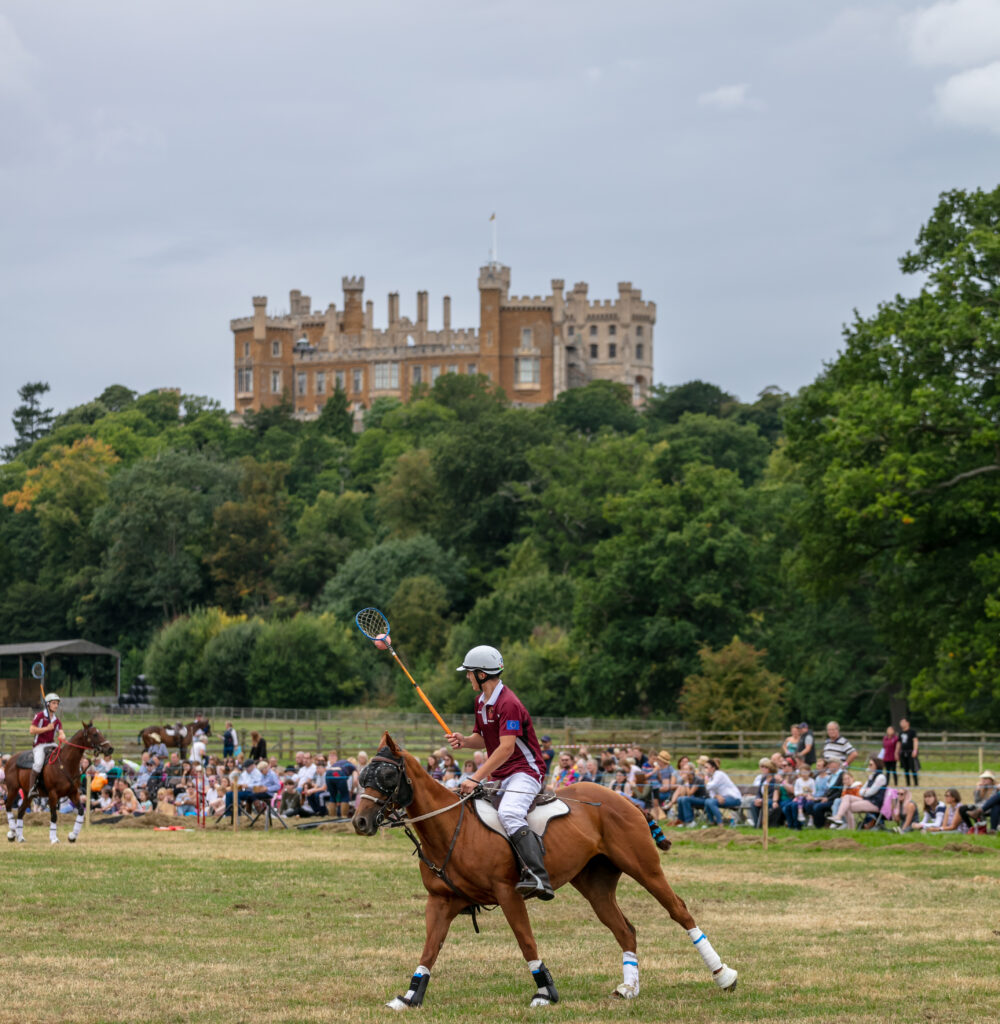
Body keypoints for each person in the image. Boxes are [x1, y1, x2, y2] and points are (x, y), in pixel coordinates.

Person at [445, 644, 554, 901]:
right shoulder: (480, 702)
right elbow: (484, 738)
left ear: (482, 674)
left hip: (525, 771)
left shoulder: (509, 703)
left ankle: (538, 875)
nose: (467, 677)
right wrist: (465, 741)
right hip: (501, 774)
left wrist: (475, 777)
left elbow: (506, 748)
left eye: (469, 672)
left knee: (509, 813)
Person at [677, 759, 742, 828]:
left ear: (713, 768)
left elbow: (709, 787)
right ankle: (711, 822)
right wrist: (716, 796)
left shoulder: (719, 774)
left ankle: (720, 823)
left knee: (709, 801)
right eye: (704, 767)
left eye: (706, 767)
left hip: (733, 798)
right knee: (707, 801)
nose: (705, 769)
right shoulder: (711, 777)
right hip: (722, 798)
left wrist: (705, 778)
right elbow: (711, 793)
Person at [828, 757, 888, 829]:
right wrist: (865, 791)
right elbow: (861, 791)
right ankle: (838, 817)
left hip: (875, 803)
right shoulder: (871, 776)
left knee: (847, 807)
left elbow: (871, 792)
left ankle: (851, 829)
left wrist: (865, 792)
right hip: (867, 800)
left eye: (871, 764)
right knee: (846, 797)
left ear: (877, 765)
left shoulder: (881, 777)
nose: (869, 766)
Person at [26, 693, 67, 800]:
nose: (56, 705)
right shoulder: (40, 716)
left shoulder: (57, 720)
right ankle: (32, 788)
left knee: (64, 758)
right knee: (38, 764)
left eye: (57, 703)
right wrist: (46, 728)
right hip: (39, 745)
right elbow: (32, 730)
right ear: (48, 704)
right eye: (54, 703)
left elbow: (61, 732)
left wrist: (62, 735)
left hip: (51, 744)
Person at [325, 751, 357, 819]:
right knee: (345, 796)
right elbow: (355, 780)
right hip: (338, 773)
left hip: (328, 774)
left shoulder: (340, 762)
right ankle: (343, 818)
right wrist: (352, 790)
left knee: (332, 796)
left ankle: (332, 818)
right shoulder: (353, 767)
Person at [897, 718, 920, 786]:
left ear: (907, 723)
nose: (902, 724)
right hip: (903, 753)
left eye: (903, 722)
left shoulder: (912, 732)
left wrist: (915, 750)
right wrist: (897, 752)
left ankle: (916, 783)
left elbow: (915, 741)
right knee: (905, 769)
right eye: (901, 722)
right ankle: (908, 783)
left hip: (911, 752)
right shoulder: (900, 733)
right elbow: (899, 743)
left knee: (913, 768)